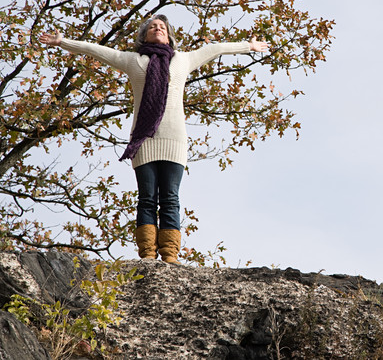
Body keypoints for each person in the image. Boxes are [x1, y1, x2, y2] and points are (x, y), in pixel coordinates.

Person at [39, 15, 268, 263]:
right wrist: (62, 42)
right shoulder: (133, 61)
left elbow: (215, 49)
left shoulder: (182, 59)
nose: (157, 29)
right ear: (144, 36)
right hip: (144, 139)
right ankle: (148, 255)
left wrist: (249, 47)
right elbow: (96, 51)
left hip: (174, 139)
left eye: (162, 27)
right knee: (147, 198)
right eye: (152, 27)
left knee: (170, 197)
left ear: (168, 35)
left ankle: (170, 256)